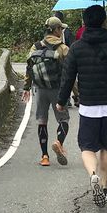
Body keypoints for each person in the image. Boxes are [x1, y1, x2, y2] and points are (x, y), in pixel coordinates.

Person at [56, 4, 107, 207]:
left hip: (89, 105)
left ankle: (93, 175)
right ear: (104, 21)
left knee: (87, 147)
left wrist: (61, 102)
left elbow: (68, 77)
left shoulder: (77, 48)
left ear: (84, 22)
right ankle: (105, 188)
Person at [22, 16, 71, 167]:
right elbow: (70, 72)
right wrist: (76, 93)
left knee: (42, 121)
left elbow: (29, 67)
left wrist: (26, 87)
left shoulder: (35, 46)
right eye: (60, 29)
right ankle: (58, 142)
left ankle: (44, 157)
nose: (62, 31)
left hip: (40, 89)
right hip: (57, 89)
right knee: (63, 119)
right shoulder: (63, 48)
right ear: (56, 30)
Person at [52, 11, 80, 107]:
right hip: (59, 58)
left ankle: (72, 97)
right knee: (66, 79)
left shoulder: (65, 31)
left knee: (68, 79)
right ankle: (72, 97)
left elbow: (71, 45)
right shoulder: (63, 31)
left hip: (64, 57)